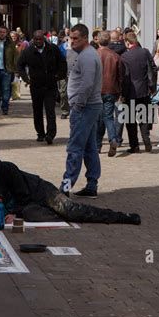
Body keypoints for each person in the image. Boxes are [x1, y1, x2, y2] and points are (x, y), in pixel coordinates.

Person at [0, 154, 140, 225]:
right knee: (35, 216)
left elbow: (23, 194)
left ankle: (120, 217)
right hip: (26, 207)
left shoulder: (7, 169)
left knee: (71, 211)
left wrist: (12, 212)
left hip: (40, 192)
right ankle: (57, 215)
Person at [59, 24, 102, 198]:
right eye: (71, 38)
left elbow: (87, 84)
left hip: (85, 107)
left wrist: (77, 105)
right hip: (88, 106)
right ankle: (92, 185)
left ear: (85, 38)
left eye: (76, 38)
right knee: (89, 146)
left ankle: (65, 187)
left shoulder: (87, 56)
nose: (72, 41)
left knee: (75, 147)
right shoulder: (86, 54)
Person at [17, 30, 66, 144]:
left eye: (40, 39)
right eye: (36, 39)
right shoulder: (28, 51)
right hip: (36, 85)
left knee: (50, 111)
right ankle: (40, 133)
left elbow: (62, 62)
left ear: (44, 38)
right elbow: (20, 65)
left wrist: (59, 75)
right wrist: (26, 79)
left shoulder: (53, 49)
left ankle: (50, 134)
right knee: (37, 110)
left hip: (50, 85)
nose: (38, 41)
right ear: (33, 39)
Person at [121, 32, 157, 153]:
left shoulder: (125, 56)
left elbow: (124, 77)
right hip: (144, 90)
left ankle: (134, 145)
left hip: (130, 92)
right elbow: (152, 70)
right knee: (144, 118)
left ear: (127, 42)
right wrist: (152, 87)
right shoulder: (145, 52)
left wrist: (122, 94)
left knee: (130, 121)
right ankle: (146, 141)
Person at [96, 31, 124, 156]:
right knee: (106, 117)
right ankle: (108, 140)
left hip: (96, 91)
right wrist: (120, 91)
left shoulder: (94, 55)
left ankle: (102, 143)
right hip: (111, 90)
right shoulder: (115, 56)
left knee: (101, 118)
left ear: (98, 40)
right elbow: (121, 77)